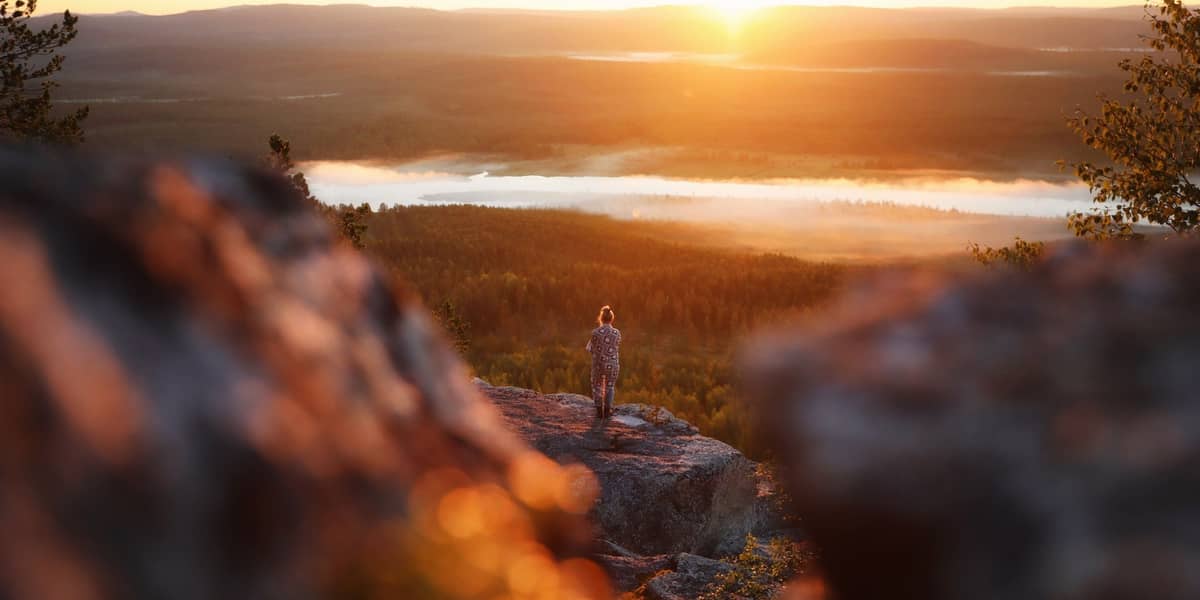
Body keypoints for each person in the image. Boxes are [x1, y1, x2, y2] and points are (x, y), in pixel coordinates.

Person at [586, 305, 621, 420]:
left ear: (601, 318)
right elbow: (616, 347)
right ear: (611, 318)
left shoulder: (595, 332)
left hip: (598, 364)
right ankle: (607, 411)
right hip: (613, 364)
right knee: (610, 387)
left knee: (597, 386)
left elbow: (590, 349)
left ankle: (599, 411)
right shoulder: (617, 333)